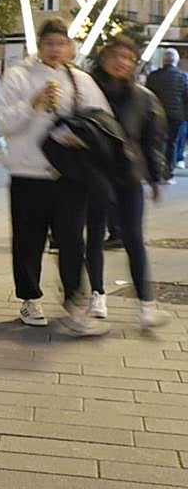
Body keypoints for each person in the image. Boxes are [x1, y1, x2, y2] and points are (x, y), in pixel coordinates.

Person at [0, 18, 111, 333]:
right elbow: (0, 124)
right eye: (49, 43)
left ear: (70, 47)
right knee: (28, 241)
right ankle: (30, 298)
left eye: (61, 44)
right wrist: (32, 104)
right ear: (39, 45)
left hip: (69, 175)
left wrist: (83, 139)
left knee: (72, 241)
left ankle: (75, 300)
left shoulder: (81, 81)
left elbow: (102, 121)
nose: (55, 50)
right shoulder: (19, 76)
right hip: (27, 173)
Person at [85, 37, 171, 328]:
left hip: (128, 175)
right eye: (116, 55)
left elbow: (152, 141)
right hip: (96, 174)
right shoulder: (90, 90)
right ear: (104, 58)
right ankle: (97, 295)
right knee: (94, 235)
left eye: (128, 58)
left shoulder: (144, 98)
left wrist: (155, 177)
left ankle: (146, 305)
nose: (122, 62)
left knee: (134, 239)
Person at [144, 48, 188, 183]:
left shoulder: (153, 76)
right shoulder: (183, 76)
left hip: (156, 116)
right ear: (176, 61)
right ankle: (169, 174)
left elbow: (147, 96)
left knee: (156, 143)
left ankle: (155, 173)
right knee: (172, 144)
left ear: (163, 61)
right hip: (176, 116)